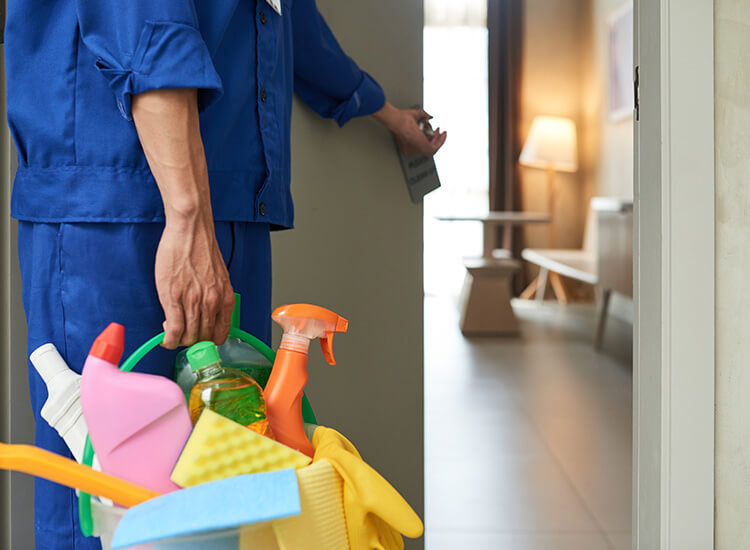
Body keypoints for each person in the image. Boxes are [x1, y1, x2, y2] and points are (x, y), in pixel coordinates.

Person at [5, 0, 446, 547]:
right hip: (121, 207)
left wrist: (385, 113)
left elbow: (289, 21)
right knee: (107, 498)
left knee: (226, 485)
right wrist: (187, 216)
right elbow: (145, 23)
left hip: (230, 207)